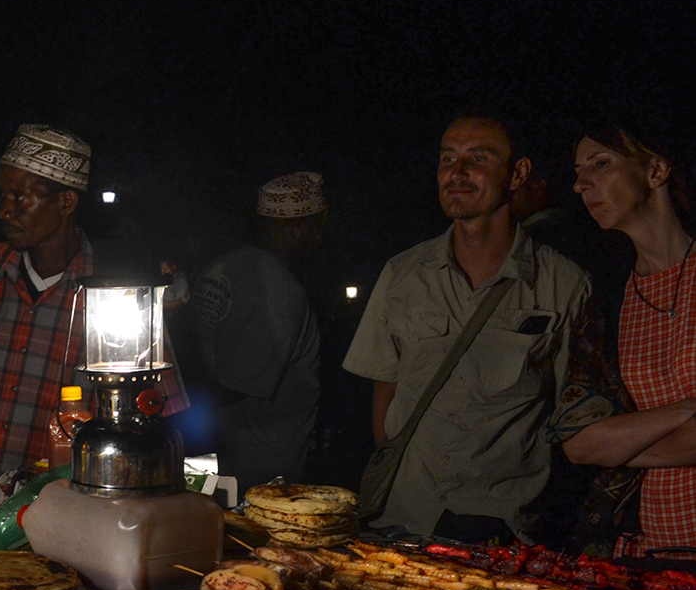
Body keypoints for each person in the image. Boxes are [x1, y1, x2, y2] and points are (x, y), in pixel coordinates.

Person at [343, 113, 591, 542]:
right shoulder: (402, 274)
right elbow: (385, 390)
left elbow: (575, 411)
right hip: (402, 521)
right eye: (447, 159)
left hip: (501, 529)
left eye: (477, 159)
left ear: (518, 174)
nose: (456, 174)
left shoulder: (564, 285)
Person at [0, 124, 188, 497]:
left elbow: (163, 411)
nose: (4, 211)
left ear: (66, 203)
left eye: (21, 197)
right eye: (3, 196)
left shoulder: (115, 291)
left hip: (58, 501)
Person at [560, 121, 696, 557]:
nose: (582, 184)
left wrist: (624, 446)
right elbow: (580, 442)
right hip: (644, 549)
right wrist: (687, 409)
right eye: (579, 169)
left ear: (656, 171)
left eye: (601, 163)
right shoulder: (609, 305)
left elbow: (603, 445)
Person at [190, 172, 323, 487]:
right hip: (260, 464)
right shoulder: (281, 291)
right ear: (297, 228)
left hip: (210, 450)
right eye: (314, 226)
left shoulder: (221, 267)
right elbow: (236, 384)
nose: (317, 238)